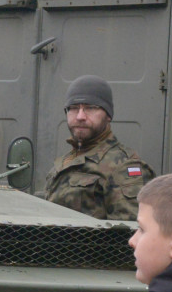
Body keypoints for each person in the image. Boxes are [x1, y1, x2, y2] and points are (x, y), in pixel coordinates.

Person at [44, 75, 155, 220]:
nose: (80, 116)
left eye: (90, 108)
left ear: (108, 115)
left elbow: (130, 235)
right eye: (73, 108)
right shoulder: (67, 161)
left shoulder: (124, 166)